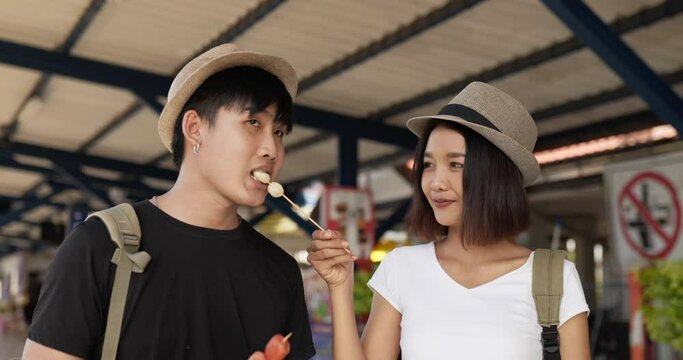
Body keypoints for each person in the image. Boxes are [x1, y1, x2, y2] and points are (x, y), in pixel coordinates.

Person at [22, 44, 316, 360]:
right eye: (254, 123)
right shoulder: (101, 245)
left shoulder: (280, 271)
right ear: (194, 128)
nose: (271, 148)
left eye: (280, 131)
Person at [307, 82, 590, 359]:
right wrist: (340, 287)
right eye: (428, 165)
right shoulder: (402, 267)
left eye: (456, 164)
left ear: (496, 175)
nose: (435, 182)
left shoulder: (554, 278)